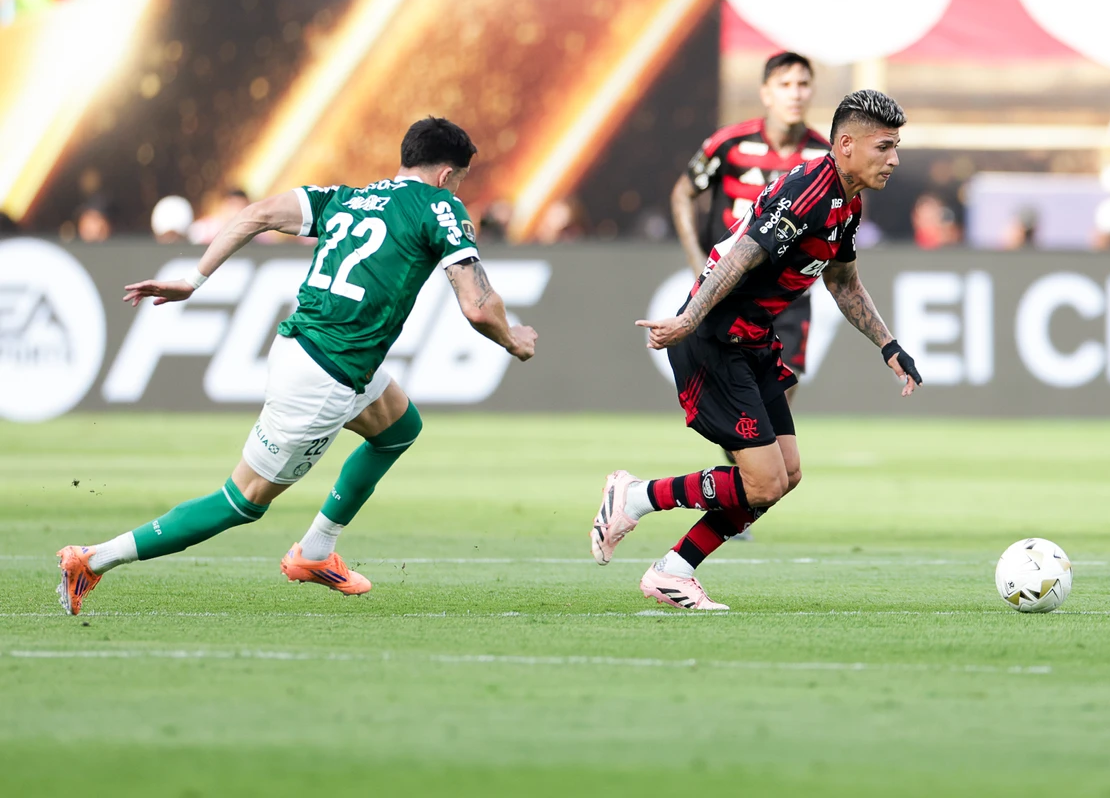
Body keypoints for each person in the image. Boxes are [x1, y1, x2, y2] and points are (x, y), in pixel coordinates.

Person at [55, 117, 538, 615]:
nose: (456, 188)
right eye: (458, 178)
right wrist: (513, 339)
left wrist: (194, 280)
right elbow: (478, 305)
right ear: (445, 175)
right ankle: (92, 560)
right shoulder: (441, 206)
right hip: (325, 375)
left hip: (312, 349)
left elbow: (259, 213)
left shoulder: (347, 197)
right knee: (240, 501)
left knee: (398, 427)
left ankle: (315, 552)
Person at [592, 90, 922, 610]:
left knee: (785, 476)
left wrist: (889, 345)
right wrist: (689, 318)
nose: (894, 159)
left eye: (896, 146)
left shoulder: (848, 201)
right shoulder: (809, 191)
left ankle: (672, 572)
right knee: (762, 481)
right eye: (885, 147)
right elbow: (742, 254)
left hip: (753, 340)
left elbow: (844, 282)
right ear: (846, 145)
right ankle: (635, 497)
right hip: (715, 340)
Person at [672, 52, 831, 407]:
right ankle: (746, 461)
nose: (795, 94)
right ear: (766, 93)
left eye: (803, 85)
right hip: (728, 289)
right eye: (785, 85)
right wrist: (698, 264)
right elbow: (682, 193)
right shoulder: (727, 144)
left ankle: (754, 459)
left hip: (787, 296)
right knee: (738, 407)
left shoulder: (825, 156)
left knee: (780, 393)